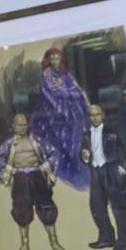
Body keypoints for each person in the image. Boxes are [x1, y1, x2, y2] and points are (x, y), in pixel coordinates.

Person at [0, 113, 66, 250]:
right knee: (21, 210)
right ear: (13, 126)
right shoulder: (9, 145)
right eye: (19, 125)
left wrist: (45, 166)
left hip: (37, 176)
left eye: (25, 124)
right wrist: (11, 171)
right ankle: (25, 243)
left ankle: (54, 242)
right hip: (20, 179)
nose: (22, 127)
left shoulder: (37, 141)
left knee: (47, 208)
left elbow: (54, 154)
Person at [30, 47, 91, 189]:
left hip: (70, 107)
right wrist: (68, 96)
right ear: (48, 60)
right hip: (53, 110)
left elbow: (76, 88)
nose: (55, 61)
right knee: (65, 126)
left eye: (58, 58)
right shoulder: (47, 74)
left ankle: (78, 154)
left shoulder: (65, 74)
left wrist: (76, 95)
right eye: (53, 58)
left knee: (78, 117)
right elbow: (52, 93)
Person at [80, 104, 126, 250]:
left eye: (97, 114)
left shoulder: (113, 130)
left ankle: (124, 243)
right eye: (91, 115)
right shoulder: (85, 134)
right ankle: (107, 238)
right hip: (96, 172)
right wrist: (83, 156)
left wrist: (123, 168)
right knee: (97, 207)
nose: (94, 118)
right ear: (88, 117)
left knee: (119, 208)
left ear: (102, 115)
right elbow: (83, 153)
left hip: (112, 170)